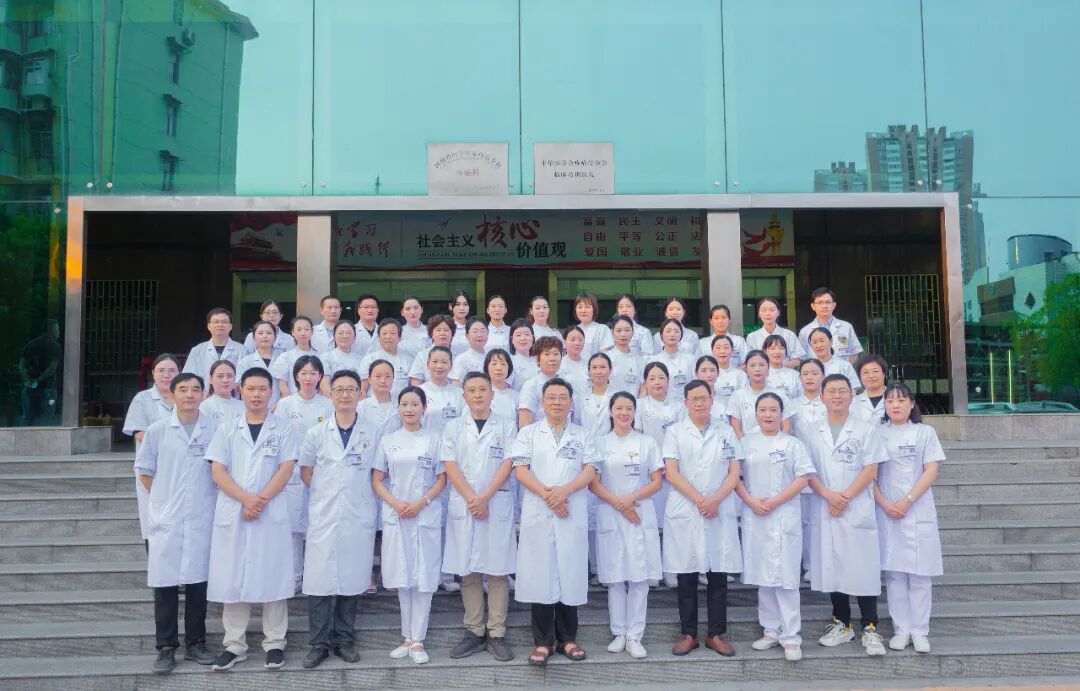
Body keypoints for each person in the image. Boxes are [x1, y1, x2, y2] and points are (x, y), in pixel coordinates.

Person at [206, 368, 300, 671]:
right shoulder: (227, 428)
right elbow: (217, 470)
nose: (257, 394)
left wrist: (260, 501)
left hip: (269, 511)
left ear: (271, 393)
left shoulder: (284, 428)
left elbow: (286, 469)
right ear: (241, 391)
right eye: (251, 389)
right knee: (233, 577)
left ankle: (275, 643)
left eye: (262, 389)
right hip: (236, 510)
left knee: (273, 575)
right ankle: (234, 645)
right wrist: (247, 500)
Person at [134, 372, 218, 673]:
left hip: (202, 516)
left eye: (196, 389)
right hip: (168, 518)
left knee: (198, 583)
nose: (190, 395)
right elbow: (144, 471)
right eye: (183, 389)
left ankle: (196, 643)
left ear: (204, 394)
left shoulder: (215, 428)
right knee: (164, 585)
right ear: (172, 395)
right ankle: (166, 647)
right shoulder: (157, 430)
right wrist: (163, 502)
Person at [511, 378, 597, 666]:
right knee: (541, 573)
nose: (557, 402)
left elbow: (589, 471)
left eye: (562, 397)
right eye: (551, 397)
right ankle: (543, 641)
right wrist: (550, 496)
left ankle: (568, 638)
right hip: (540, 510)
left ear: (571, 402)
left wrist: (564, 492)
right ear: (542, 402)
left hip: (570, 509)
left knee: (570, 571)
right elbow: (521, 471)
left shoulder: (583, 434)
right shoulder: (528, 433)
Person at [297, 370, 379, 668]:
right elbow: (306, 472)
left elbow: (377, 473)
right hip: (324, 514)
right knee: (319, 581)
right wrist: (328, 492)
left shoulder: (373, 432)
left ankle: (344, 640)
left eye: (351, 389)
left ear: (360, 393)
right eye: (339, 389)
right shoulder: (316, 432)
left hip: (358, 514)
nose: (345, 394)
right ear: (330, 394)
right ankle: (318, 644)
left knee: (352, 578)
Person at [805, 373, 889, 657]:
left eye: (843, 391)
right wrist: (828, 496)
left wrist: (845, 498)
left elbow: (871, 468)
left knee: (863, 566)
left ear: (852, 396)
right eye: (831, 391)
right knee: (833, 566)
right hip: (826, 505)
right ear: (822, 397)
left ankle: (870, 627)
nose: (837, 396)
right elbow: (808, 471)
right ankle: (842, 624)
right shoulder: (812, 431)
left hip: (856, 506)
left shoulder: (866, 428)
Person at [663, 380, 743, 657]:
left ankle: (715, 634)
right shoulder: (674, 432)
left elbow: (734, 471)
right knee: (686, 575)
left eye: (703, 398)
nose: (699, 403)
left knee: (718, 574)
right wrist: (701, 500)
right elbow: (672, 472)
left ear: (712, 400)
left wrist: (715, 500)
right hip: (687, 509)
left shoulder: (726, 431)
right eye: (693, 399)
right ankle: (688, 634)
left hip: (718, 509)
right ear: (685, 403)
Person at [442, 372, 517, 662]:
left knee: (498, 570)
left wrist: (485, 497)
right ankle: (474, 631)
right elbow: (450, 465)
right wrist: (473, 498)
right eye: (471, 390)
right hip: (465, 504)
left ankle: (496, 632)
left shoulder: (507, 425)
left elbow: (509, 463)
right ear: (464, 396)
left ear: (492, 394)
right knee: (469, 569)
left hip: (495, 502)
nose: (477, 394)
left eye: (482, 389)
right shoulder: (452, 427)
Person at [736, 392, 816, 662]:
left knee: (787, 579)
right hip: (755, 515)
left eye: (773, 410)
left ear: (782, 414)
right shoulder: (745, 443)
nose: (768, 415)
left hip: (783, 515)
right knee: (763, 577)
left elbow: (803, 478)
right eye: (763, 410)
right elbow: (734, 477)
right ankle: (770, 631)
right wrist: (751, 502)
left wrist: (775, 501)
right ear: (755, 414)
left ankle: (791, 636)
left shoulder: (793, 444)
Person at [372, 386, 447, 665]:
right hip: (397, 515)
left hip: (424, 513)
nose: (409, 409)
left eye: (415, 404)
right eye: (404, 404)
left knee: (424, 577)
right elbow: (377, 479)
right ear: (398, 408)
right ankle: (406, 637)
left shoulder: (434, 440)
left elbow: (442, 478)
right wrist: (396, 504)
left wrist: (421, 502)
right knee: (403, 577)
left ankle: (419, 639)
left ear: (424, 408)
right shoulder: (388, 440)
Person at [589, 392, 663, 659]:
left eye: (628, 408)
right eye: (618, 408)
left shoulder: (647, 442)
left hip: (640, 512)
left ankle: (635, 636)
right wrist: (620, 504)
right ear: (610, 412)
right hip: (611, 512)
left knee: (640, 578)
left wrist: (631, 499)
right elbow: (593, 482)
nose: (623, 413)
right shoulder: (599, 442)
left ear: (635, 412)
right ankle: (619, 633)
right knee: (615, 577)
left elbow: (657, 481)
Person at [873, 382, 944, 654]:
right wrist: (885, 503)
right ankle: (901, 630)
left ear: (911, 404)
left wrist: (907, 500)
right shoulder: (877, 434)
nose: (895, 405)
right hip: (887, 510)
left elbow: (931, 470)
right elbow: (869, 474)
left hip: (917, 508)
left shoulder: (925, 433)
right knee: (894, 575)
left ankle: (920, 631)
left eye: (901, 400)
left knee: (920, 574)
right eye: (890, 401)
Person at [275, 355, 334, 593]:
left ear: (320, 376)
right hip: (292, 473)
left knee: (319, 528)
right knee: (292, 531)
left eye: (313, 373)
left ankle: (316, 577)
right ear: (296, 376)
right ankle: (294, 578)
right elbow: (279, 438)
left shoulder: (328, 405)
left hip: (320, 472)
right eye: (303, 373)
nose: (308, 378)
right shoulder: (286, 405)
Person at [124, 353, 180, 549]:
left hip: (180, 466)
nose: (167, 375)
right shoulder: (143, 399)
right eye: (161, 371)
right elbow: (139, 433)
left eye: (172, 370)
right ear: (153, 373)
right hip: (152, 468)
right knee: (154, 519)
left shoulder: (186, 397)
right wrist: (170, 444)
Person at [635, 361, 683, 590]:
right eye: (652, 378)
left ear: (668, 381)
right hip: (650, 474)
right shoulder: (638, 405)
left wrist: (672, 466)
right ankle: (652, 570)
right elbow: (637, 437)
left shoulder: (678, 406)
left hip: (673, 472)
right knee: (649, 525)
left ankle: (672, 570)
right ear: (645, 382)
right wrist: (651, 467)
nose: (657, 382)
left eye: (661, 377)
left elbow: (683, 438)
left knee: (673, 524)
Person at [726, 350, 794, 438]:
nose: (757, 369)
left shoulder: (779, 395)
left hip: (776, 444)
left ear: (768, 368)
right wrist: (745, 443)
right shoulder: (737, 396)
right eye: (752, 365)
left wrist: (779, 443)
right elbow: (736, 429)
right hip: (747, 444)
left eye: (762, 365)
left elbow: (786, 426)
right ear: (746, 369)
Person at [517, 336, 582, 429]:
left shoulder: (568, 384)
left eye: (556, 354)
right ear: (537, 359)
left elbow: (575, 418)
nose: (552, 358)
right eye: (546, 354)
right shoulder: (531, 386)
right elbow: (524, 426)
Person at [798, 288, 864, 364]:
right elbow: (801, 359)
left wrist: (844, 369)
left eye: (828, 302)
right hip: (816, 371)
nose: (824, 306)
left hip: (841, 371)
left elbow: (854, 354)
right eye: (820, 302)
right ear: (813, 306)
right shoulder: (805, 331)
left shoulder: (846, 327)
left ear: (834, 305)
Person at [183, 308, 244, 386]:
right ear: (209, 326)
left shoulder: (242, 350)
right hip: (204, 393)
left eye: (224, 322)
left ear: (231, 326)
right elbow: (188, 377)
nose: (220, 325)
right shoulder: (197, 350)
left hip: (233, 393)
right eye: (216, 322)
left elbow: (245, 378)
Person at [18, 318, 61, 425]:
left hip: (30, 389)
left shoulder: (31, 344)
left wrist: (27, 381)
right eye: (57, 329)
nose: (59, 332)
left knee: (28, 421)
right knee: (46, 422)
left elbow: (21, 366)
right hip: (48, 388)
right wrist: (38, 380)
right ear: (52, 330)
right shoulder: (55, 346)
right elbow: (52, 368)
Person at [358, 318, 413, 400]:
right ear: (378, 337)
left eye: (392, 333)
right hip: (375, 405)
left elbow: (412, 386)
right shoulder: (370, 359)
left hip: (401, 405)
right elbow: (362, 391)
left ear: (400, 338)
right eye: (384, 333)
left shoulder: (408, 359)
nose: (388, 337)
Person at [745, 298, 805, 368]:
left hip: (785, 373)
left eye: (772, 310)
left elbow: (798, 359)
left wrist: (780, 366)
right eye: (764, 310)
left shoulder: (789, 335)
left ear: (778, 312)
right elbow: (748, 360)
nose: (768, 313)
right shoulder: (752, 337)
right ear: (759, 314)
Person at [647, 319, 697, 403]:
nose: (672, 334)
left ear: (681, 335)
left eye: (676, 331)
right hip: (661, 405)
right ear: (661, 335)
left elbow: (695, 385)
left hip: (685, 406)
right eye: (668, 331)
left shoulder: (690, 359)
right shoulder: (654, 360)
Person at [235, 321, 282, 409]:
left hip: (279, 409)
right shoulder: (245, 362)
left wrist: (277, 406)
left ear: (275, 337)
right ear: (253, 337)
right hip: (252, 408)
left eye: (269, 333)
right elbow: (239, 388)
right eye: (260, 333)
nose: (265, 336)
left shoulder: (283, 359)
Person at [419, 346, 463, 434]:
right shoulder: (419, 392)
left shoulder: (459, 393)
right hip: (426, 440)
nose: (439, 366)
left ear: (451, 366)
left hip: (454, 441)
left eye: (444, 362)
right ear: (428, 364)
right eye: (435, 362)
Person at [272, 315, 318, 397]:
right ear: (293, 332)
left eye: (306, 329)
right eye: (299, 329)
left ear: (312, 332)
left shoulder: (319, 356)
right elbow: (282, 384)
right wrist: (291, 400)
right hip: (293, 400)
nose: (303, 333)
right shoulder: (285, 357)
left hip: (316, 400)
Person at [407, 315, 456, 386]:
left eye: (446, 330)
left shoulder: (457, 356)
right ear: (431, 334)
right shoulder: (422, 356)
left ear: (452, 334)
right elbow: (416, 382)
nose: (442, 333)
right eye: (438, 330)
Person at [319, 321, 362, 395]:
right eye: (341, 333)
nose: (344, 336)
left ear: (355, 337)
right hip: (333, 399)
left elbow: (362, 386)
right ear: (334, 336)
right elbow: (324, 385)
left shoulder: (361, 359)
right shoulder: (326, 357)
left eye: (348, 333)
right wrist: (337, 399)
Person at [606, 315, 644, 395]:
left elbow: (643, 386)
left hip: (634, 401)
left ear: (632, 332)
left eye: (627, 330)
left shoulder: (639, 360)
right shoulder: (606, 358)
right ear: (612, 333)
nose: (623, 334)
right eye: (619, 330)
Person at [708, 339, 749, 413]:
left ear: (732, 351)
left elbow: (745, 398)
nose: (722, 351)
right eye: (718, 348)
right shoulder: (707, 375)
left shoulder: (740, 374)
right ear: (712, 351)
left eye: (726, 347)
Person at [199, 360, 244, 426]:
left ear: (235, 379)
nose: (225, 380)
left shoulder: (243, 406)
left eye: (229, 376)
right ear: (210, 379)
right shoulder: (205, 407)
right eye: (220, 376)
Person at [573, 292, 613, 358]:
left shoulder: (602, 329)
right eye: (580, 307)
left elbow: (606, 356)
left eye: (587, 307)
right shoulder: (572, 331)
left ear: (594, 309)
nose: (583, 310)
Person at [448, 317, 489, 383]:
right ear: (467, 336)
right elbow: (456, 384)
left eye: (483, 331)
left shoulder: (491, 357)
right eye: (475, 331)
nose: (480, 335)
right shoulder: (461, 359)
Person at [764, 334, 803, 400]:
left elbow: (802, 398)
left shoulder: (795, 375)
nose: (777, 352)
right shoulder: (761, 375)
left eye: (781, 348)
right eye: (772, 348)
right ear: (765, 351)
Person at [484, 348, 519, 422]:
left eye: (503, 364)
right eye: (494, 364)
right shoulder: (481, 394)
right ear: (487, 367)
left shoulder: (516, 396)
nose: (499, 368)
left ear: (509, 368)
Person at [852, 355, 889, 423]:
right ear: (860, 376)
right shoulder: (853, 403)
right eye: (865, 372)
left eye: (875, 371)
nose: (871, 376)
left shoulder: (898, 399)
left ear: (884, 374)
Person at [558, 326, 590, 396]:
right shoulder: (558, 365)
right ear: (564, 342)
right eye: (572, 340)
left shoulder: (589, 365)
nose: (577, 343)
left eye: (580, 340)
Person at [508, 319, 540, 389]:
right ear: (512, 339)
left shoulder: (539, 360)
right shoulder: (509, 362)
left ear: (533, 338)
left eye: (527, 334)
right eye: (518, 335)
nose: (523, 338)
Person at [448, 291, 472, 355]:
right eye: (458, 304)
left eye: (465, 304)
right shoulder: (446, 327)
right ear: (450, 306)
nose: (462, 308)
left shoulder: (473, 327)